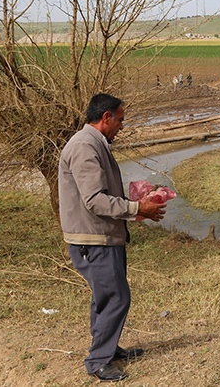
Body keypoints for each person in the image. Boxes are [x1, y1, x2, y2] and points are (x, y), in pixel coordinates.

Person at [59, 93, 166, 382]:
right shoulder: (84, 147)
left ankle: (107, 347)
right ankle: (98, 361)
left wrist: (136, 205)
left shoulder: (94, 144)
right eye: (119, 119)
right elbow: (95, 200)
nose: (122, 125)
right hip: (93, 238)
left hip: (103, 235)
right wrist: (136, 208)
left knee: (106, 297)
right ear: (106, 118)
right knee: (117, 296)